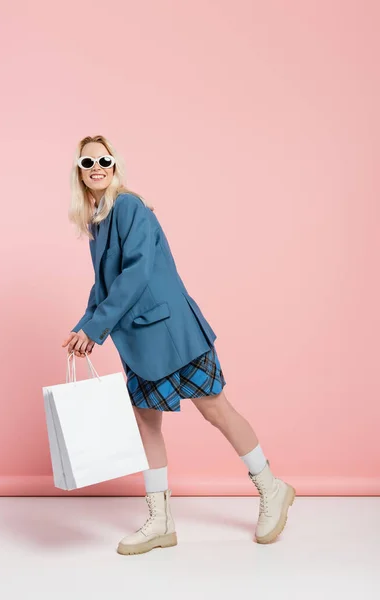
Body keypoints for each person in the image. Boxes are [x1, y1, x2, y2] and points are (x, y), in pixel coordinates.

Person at [62, 134, 296, 555]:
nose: (96, 167)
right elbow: (104, 286)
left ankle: (272, 487)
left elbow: (135, 273)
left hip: (172, 331)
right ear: (79, 172)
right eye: (87, 162)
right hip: (138, 339)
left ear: (115, 166)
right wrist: (85, 328)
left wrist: (95, 329)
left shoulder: (128, 206)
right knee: (146, 422)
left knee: (216, 409)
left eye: (104, 159)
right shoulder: (98, 220)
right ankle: (160, 521)